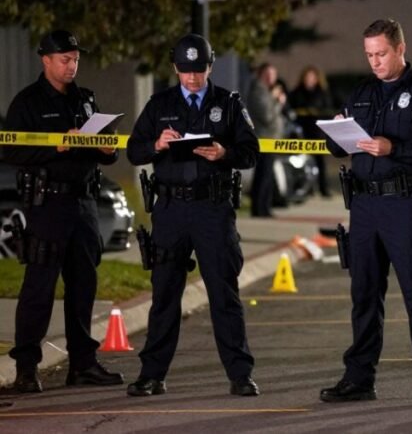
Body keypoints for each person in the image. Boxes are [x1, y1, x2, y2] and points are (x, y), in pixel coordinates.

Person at [319, 19, 412, 407]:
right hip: (364, 206)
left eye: (381, 54)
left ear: (400, 49)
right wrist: (337, 136)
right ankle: (359, 378)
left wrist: (391, 148)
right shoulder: (362, 92)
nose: (375, 62)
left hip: (404, 205)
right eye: (369, 55)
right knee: (364, 294)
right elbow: (336, 145)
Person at [125, 33, 260, 397]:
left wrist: (224, 153)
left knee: (223, 293)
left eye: (198, 70)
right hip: (170, 210)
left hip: (212, 209)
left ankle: (240, 374)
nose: (192, 78)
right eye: (185, 71)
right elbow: (134, 151)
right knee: (164, 294)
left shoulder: (228, 103)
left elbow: (251, 151)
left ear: (209, 66)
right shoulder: (160, 104)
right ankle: (152, 375)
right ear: (175, 68)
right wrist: (157, 145)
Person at [3, 30, 123, 393]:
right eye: (65, 59)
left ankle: (83, 364)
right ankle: (26, 369)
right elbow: (13, 152)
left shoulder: (85, 99)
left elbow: (110, 150)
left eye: (75, 59)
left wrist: (106, 149)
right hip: (48, 206)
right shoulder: (28, 103)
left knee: (83, 285)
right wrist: (55, 147)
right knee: (39, 288)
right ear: (46, 60)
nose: (72, 66)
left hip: (83, 204)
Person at [290, 66, 335, 197]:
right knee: (303, 162)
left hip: (317, 132)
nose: (309, 80)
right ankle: (306, 189)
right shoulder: (297, 93)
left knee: (320, 162)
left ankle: (323, 188)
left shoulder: (322, 93)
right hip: (302, 132)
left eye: (312, 77)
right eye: (307, 77)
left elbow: (328, 111)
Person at [247, 62, 285, 217]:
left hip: (271, 139)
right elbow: (267, 117)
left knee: (266, 175)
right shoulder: (259, 92)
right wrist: (277, 101)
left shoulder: (265, 91)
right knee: (264, 175)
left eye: (273, 75)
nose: (271, 78)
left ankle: (263, 207)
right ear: (261, 75)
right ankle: (260, 208)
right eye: (268, 74)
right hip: (264, 140)